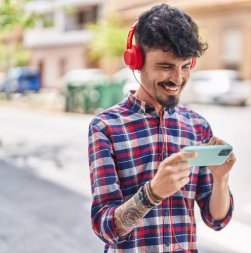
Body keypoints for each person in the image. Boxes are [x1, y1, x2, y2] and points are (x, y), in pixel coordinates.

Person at [88, 3, 236, 252]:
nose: (177, 79)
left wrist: (221, 179)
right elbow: (105, 228)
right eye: (166, 66)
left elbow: (216, 220)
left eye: (185, 66)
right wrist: (153, 193)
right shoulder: (106, 127)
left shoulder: (197, 126)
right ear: (135, 61)